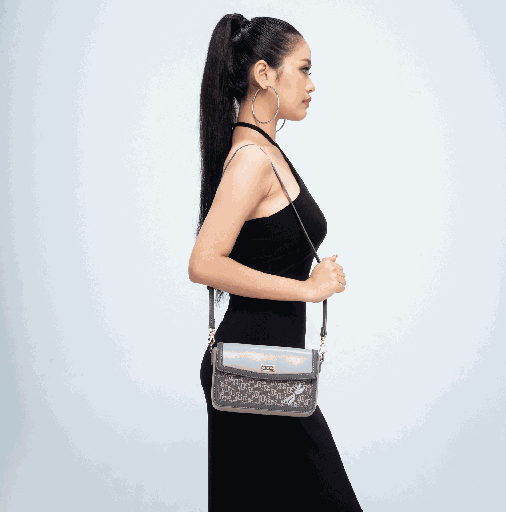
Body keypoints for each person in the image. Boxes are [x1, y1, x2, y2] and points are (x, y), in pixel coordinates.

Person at [189, 14, 363, 512]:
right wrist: (309, 289)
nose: (311, 85)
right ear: (265, 74)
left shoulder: (266, 150)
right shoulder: (251, 159)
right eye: (303, 69)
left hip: (271, 368)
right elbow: (203, 263)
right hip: (254, 370)